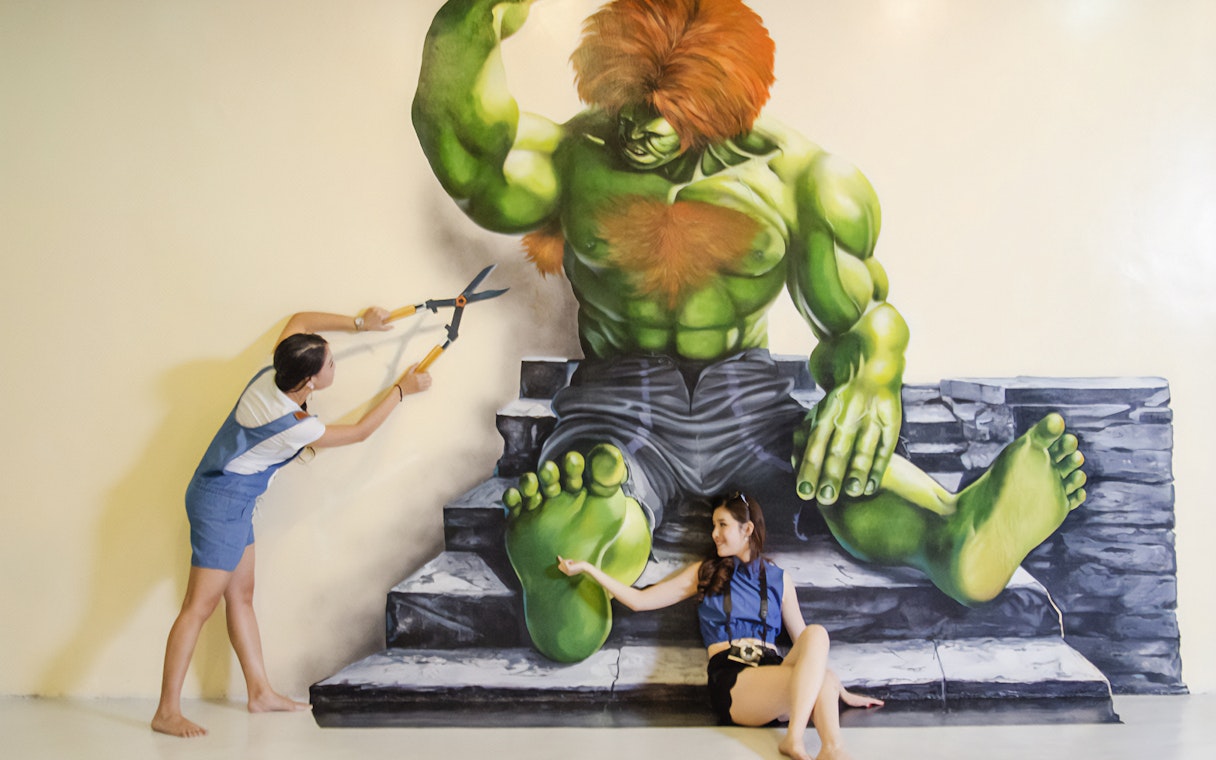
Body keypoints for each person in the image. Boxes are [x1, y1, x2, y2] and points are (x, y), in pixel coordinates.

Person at [419, 0, 1088, 662]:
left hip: (746, 406)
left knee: (835, 466)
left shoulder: (802, 182)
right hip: (620, 402)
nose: (639, 128)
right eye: (630, 104)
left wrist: (871, 380)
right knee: (599, 483)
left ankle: (949, 537)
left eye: (667, 112)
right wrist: (476, 15)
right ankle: (570, 565)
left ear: (717, 108)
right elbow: (472, 152)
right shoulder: (575, 156)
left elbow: (863, 319)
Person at [151, 308, 432, 738]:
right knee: (198, 607)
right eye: (330, 364)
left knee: (241, 595)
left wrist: (362, 324)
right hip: (221, 503)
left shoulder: (274, 373)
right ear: (310, 382)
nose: (335, 365)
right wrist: (401, 390)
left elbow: (301, 319)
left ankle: (260, 692)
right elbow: (359, 432)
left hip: (231, 498)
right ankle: (167, 711)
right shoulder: (294, 426)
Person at [554, 490, 883, 760]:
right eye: (713, 525)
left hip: (774, 677)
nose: (714, 534)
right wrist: (588, 569)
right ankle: (793, 738)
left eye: (722, 524)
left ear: (747, 529)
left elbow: (807, 648)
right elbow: (640, 601)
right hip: (734, 681)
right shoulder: (706, 573)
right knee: (821, 675)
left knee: (817, 636)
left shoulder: (779, 579)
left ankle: (831, 749)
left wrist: (842, 690)